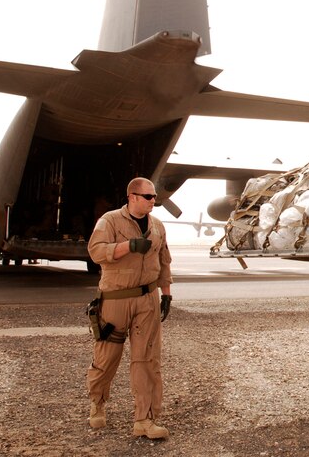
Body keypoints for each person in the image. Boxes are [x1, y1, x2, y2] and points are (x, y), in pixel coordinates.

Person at [86, 177, 173, 439]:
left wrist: (166, 295)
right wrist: (128, 246)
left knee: (147, 360)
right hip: (115, 299)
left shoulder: (157, 226)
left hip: (147, 300)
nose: (153, 202)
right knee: (106, 358)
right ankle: (97, 403)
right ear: (132, 197)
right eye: (148, 197)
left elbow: (164, 261)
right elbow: (95, 251)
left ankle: (144, 421)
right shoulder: (110, 220)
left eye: (154, 197)